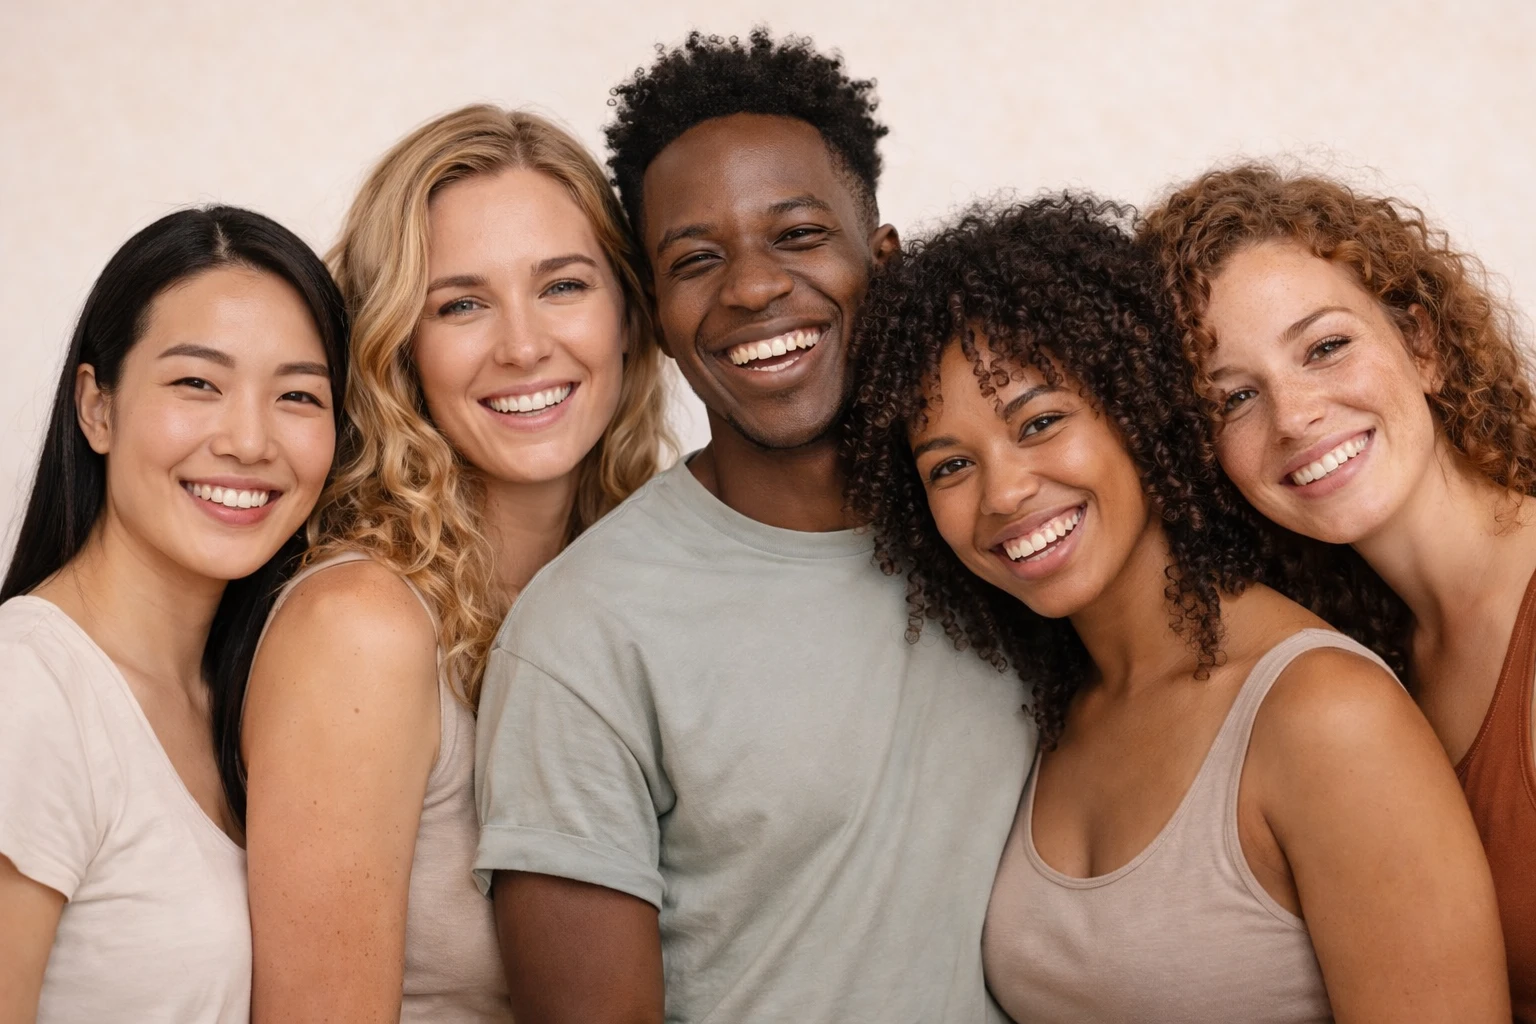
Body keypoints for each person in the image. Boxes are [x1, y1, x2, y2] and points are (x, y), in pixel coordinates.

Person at [474, 31, 1035, 1023]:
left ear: (884, 258)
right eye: (696, 259)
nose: (751, 287)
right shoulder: (585, 632)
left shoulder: (1015, 540)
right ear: (653, 311)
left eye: (799, 234)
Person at [843, 196, 1510, 1022]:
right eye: (948, 467)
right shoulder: (1052, 708)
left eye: (1042, 422)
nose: (1005, 492)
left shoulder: (1328, 717)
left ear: (1141, 411)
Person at [238, 105, 673, 1023]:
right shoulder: (361, 626)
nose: (522, 345)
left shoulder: (642, 589)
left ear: (631, 315)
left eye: (562, 286)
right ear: (399, 349)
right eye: (461, 304)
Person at [1142, 163, 1536, 1021]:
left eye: (1325, 347)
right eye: (1235, 398)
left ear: (1423, 346)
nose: (1294, 416)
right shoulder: (1359, 660)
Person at [0, 206, 349, 1023]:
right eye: (198, 383)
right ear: (98, 407)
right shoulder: (29, 691)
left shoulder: (246, 692)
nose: (250, 440)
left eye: (298, 394)